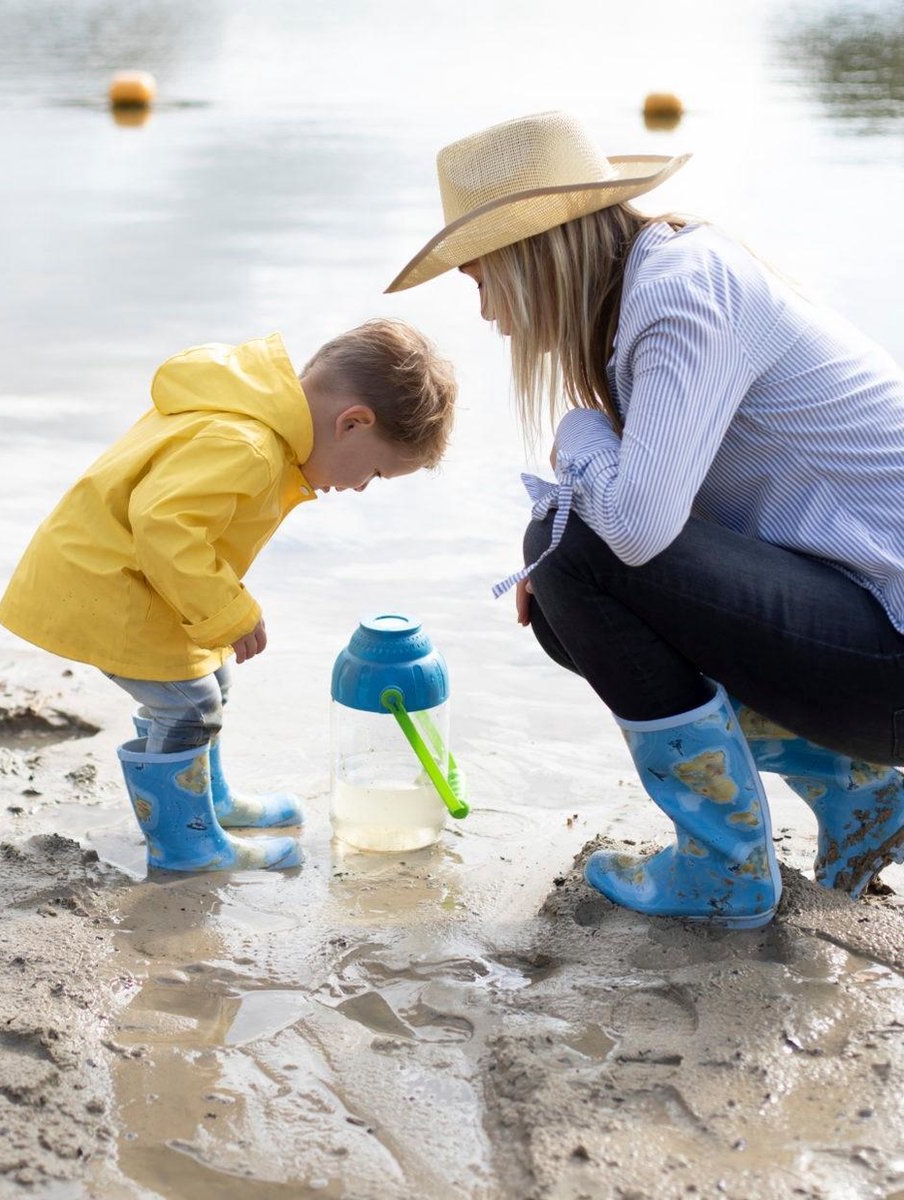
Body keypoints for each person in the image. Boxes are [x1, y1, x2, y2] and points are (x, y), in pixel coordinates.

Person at [387, 110, 904, 929]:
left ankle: (725, 869)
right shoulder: (660, 287)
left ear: (528, 255)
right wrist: (559, 565)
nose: (483, 309)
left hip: (892, 646)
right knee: (559, 575)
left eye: (478, 275)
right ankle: (862, 793)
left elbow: (632, 531)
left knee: (574, 548)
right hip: (872, 632)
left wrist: (578, 433)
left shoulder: (680, 294)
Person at [0, 320, 457, 875]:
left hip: (128, 578)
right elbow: (165, 526)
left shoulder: (254, 423)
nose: (360, 487)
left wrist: (219, 605)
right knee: (188, 705)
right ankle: (187, 847)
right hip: (106, 585)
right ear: (352, 423)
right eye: (376, 472)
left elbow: (186, 525)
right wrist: (230, 611)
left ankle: (207, 803)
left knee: (211, 680)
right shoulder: (249, 445)